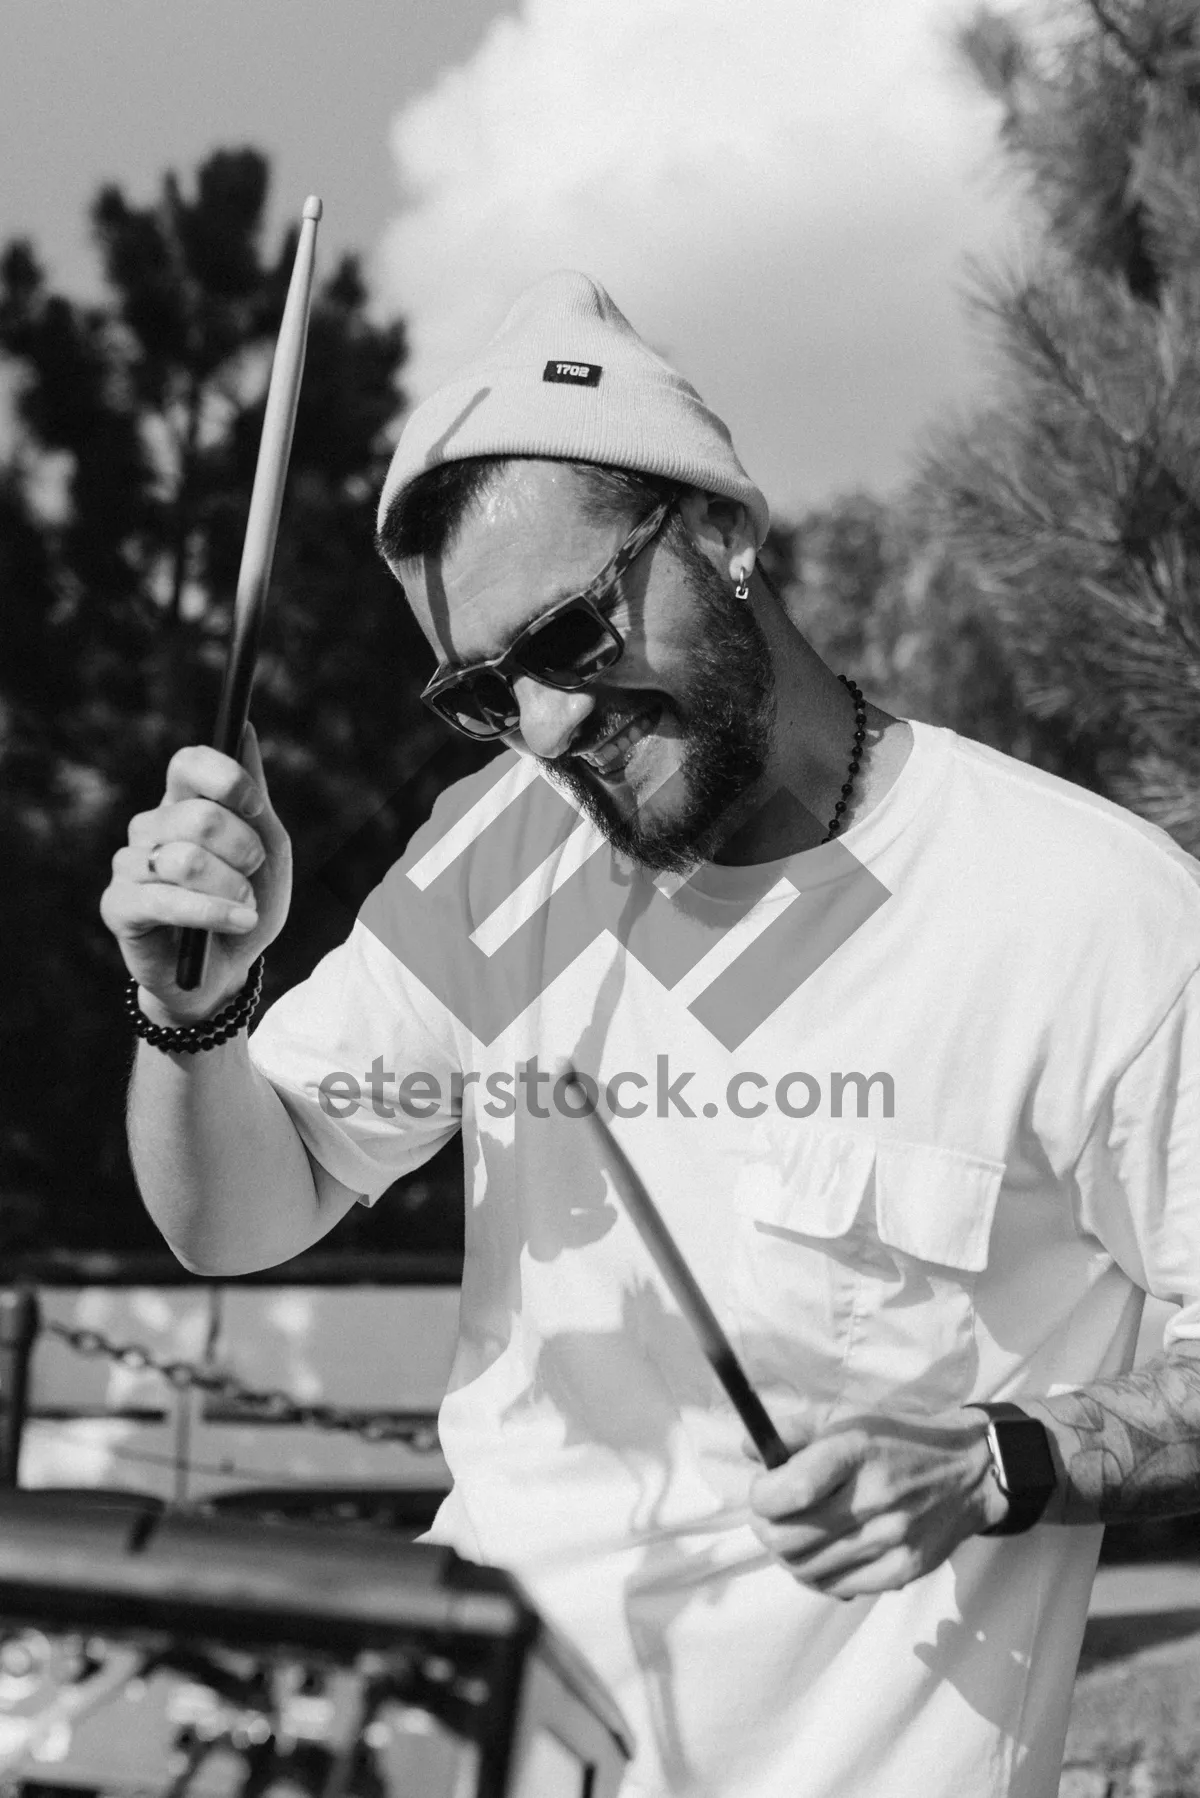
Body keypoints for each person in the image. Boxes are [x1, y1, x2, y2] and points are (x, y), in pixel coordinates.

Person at [101, 270, 1200, 1798]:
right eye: (485, 691)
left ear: (726, 530)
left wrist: (1001, 1459)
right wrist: (193, 1004)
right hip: (455, 1753)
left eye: (569, 632)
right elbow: (236, 1213)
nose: (548, 724)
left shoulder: (1096, 915)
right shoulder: (492, 855)